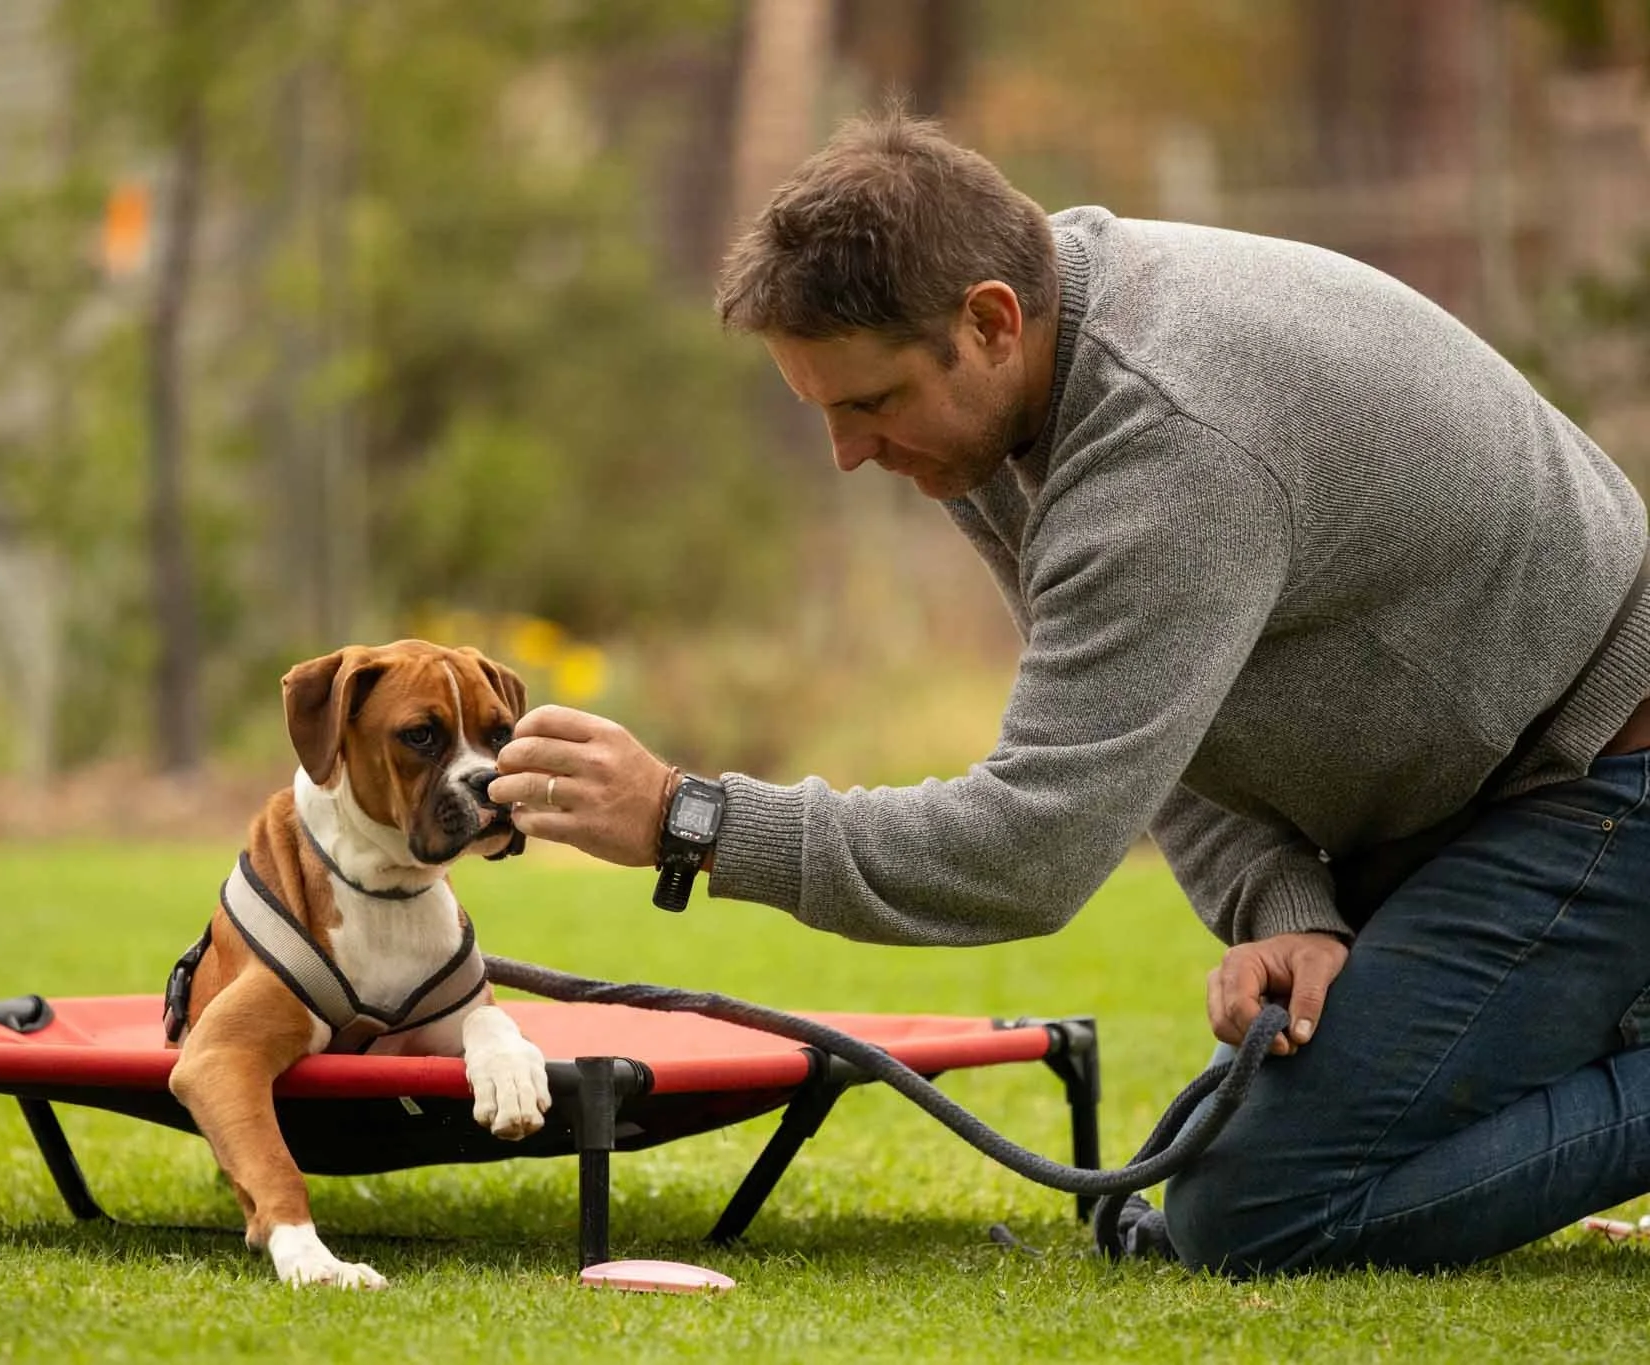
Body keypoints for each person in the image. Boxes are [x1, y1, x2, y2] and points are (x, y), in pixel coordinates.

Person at [488, 109, 1650, 1275]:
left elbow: (1032, 844)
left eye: (870, 404)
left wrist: (691, 822)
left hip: (1600, 777)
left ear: (987, 320)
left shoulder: (1164, 439)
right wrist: (1280, 903)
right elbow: (1149, 720)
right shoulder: (1018, 391)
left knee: (1255, 1214)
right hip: (1468, 796)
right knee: (1180, 1178)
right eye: (825, 412)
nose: (848, 453)